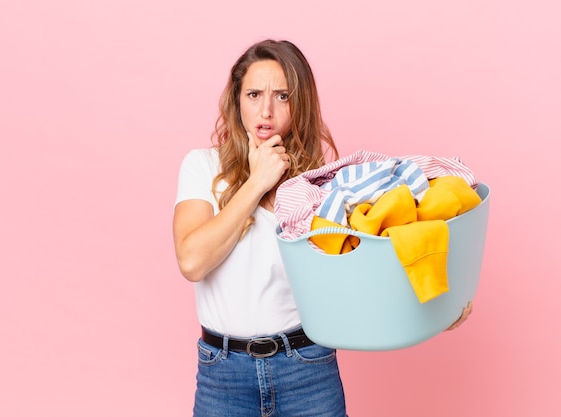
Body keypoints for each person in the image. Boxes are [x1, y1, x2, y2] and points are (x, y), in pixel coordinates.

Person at [173, 39, 472, 417]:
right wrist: (257, 182)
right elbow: (192, 261)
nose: (266, 110)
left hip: (307, 369)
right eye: (253, 94)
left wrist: (432, 312)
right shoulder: (202, 167)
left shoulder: (321, 186)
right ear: (237, 102)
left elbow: (357, 279)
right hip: (224, 374)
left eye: (282, 96)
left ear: (300, 105)